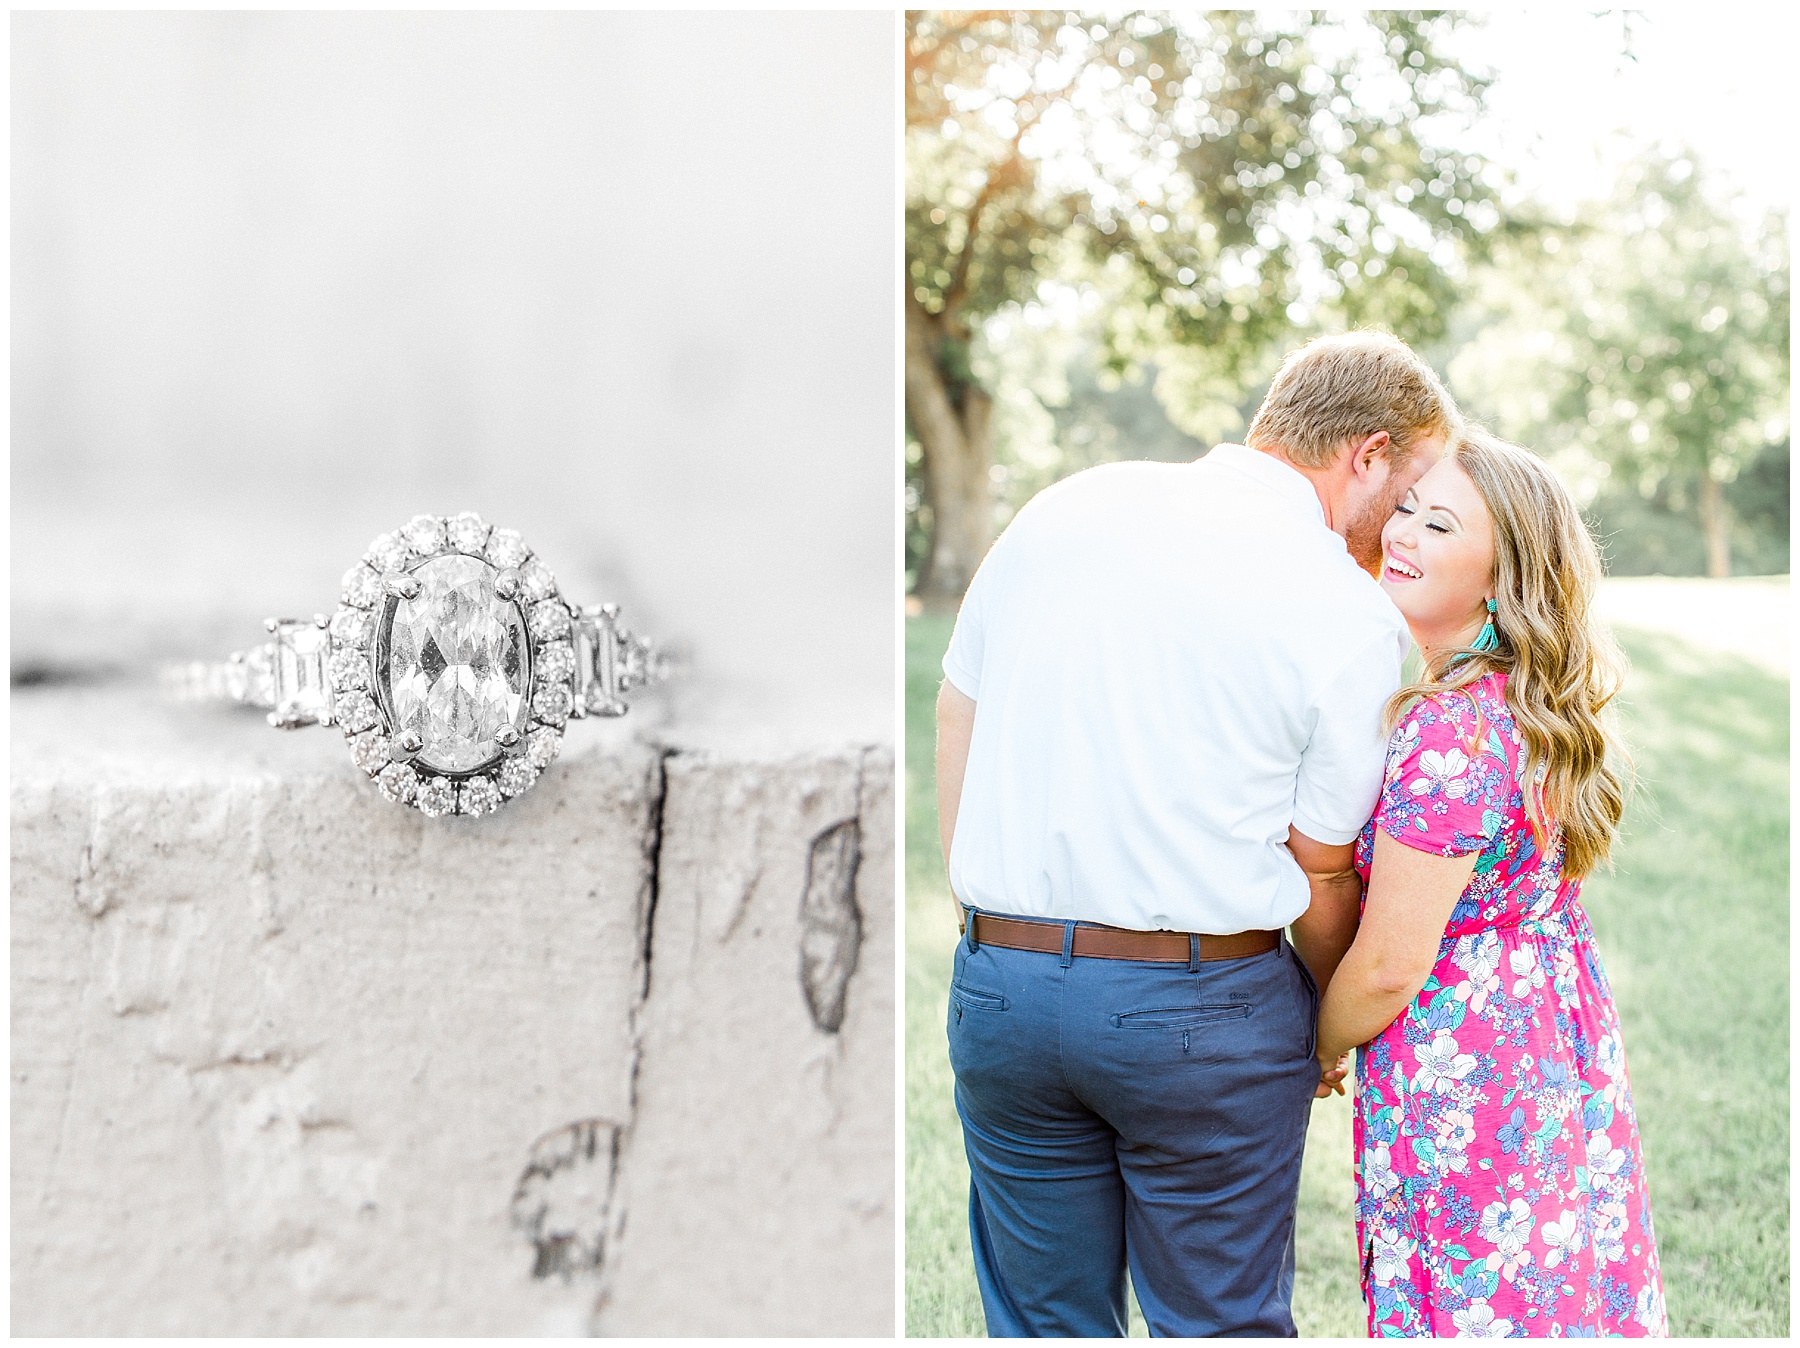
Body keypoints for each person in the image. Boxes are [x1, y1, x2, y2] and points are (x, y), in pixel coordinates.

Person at [935, 331, 1456, 1336]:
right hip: (1203, 1010)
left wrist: (988, 912)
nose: (1404, 530)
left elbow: (962, 705)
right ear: (1369, 454)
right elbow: (1320, 864)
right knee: (1215, 1323)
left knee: (1041, 1325)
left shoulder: (1062, 510)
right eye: (1413, 492)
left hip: (1002, 981)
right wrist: (1327, 1016)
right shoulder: (1349, 613)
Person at [1315, 431, 1667, 1337]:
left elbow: (1391, 962)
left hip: (1472, 1068)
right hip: (1547, 1035)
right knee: (1551, 1293)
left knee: (1480, 1298)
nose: (1402, 532)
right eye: (1405, 508)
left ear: (1502, 580)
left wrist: (1314, 1044)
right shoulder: (1519, 703)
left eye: (1439, 524)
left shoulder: (1448, 730)